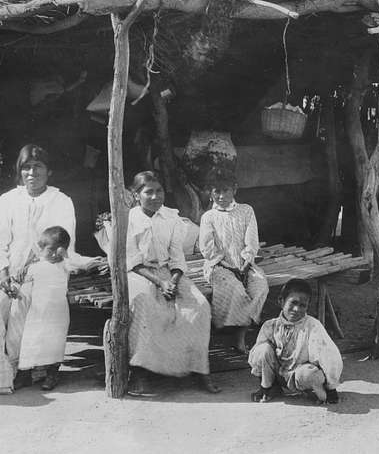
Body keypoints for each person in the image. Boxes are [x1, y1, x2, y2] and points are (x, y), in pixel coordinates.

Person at [0, 144, 96, 394]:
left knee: (26, 303)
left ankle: (28, 367)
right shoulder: (8, 200)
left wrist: (28, 270)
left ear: (49, 171)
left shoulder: (60, 200)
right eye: (26, 167)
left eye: (38, 167)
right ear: (19, 172)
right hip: (7, 267)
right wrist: (3, 274)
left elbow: (61, 241)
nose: (32, 173)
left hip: (47, 265)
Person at [125, 171, 219, 395]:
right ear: (136, 194)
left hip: (170, 273)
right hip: (141, 274)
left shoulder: (171, 217)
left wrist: (174, 280)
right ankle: (140, 374)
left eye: (159, 191)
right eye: (149, 192)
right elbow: (133, 261)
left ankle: (199, 370)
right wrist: (159, 283)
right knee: (146, 307)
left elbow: (177, 257)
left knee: (199, 306)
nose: (156, 196)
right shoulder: (128, 220)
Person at [199, 174, 269, 353]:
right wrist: (229, 266)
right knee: (238, 291)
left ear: (234, 190)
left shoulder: (246, 210)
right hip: (218, 266)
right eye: (217, 191)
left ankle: (238, 331)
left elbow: (251, 241)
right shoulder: (208, 216)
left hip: (245, 263)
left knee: (260, 287)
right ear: (211, 193)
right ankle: (234, 335)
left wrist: (246, 262)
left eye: (225, 191)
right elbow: (207, 249)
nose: (221, 196)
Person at [248, 278, 342, 404]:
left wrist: (331, 387)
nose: (297, 309)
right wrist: (264, 384)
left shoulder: (313, 326)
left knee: (310, 374)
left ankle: (317, 391)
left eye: (302, 305)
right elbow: (258, 358)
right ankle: (268, 388)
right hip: (277, 373)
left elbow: (328, 355)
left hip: (299, 374)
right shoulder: (269, 326)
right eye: (293, 303)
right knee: (262, 350)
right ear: (281, 301)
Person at [18, 226, 74, 391]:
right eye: (50, 250)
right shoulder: (36, 266)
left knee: (54, 342)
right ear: (41, 249)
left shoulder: (64, 265)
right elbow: (24, 282)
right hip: (37, 312)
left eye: (59, 250)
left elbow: (76, 265)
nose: (54, 254)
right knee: (32, 340)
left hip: (57, 313)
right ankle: (25, 373)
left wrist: (66, 256)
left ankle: (52, 373)